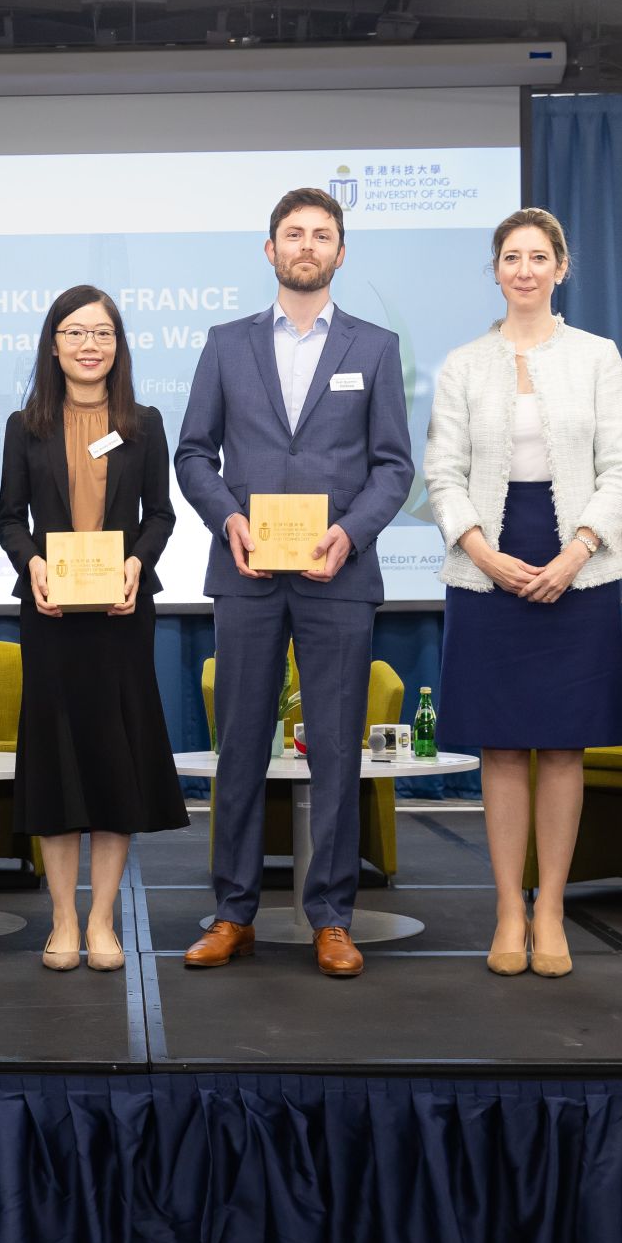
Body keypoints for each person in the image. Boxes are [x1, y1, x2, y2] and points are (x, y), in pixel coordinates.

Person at [175, 188, 415, 978]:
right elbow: (193, 453)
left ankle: (332, 917)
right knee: (240, 745)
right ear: (269, 249)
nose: (306, 246)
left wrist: (349, 533)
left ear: (340, 253)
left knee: (336, 754)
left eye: (321, 235)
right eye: (293, 234)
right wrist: (227, 520)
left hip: (336, 573)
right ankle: (232, 912)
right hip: (246, 572)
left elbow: (393, 466)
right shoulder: (226, 342)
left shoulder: (375, 347)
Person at [423, 207, 622, 980]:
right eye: (510, 256)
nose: (524, 268)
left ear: (561, 267)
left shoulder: (597, 356)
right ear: (495, 271)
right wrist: (482, 549)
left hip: (575, 556)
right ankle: (509, 909)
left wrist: (579, 549)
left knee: (563, 740)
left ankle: (552, 910)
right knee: (503, 742)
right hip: (487, 560)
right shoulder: (462, 364)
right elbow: (442, 474)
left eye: (537, 256)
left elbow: (621, 467)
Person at [0, 286, 188, 972]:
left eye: (101, 333)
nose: (88, 345)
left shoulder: (144, 421)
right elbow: (8, 518)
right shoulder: (26, 425)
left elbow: (162, 512)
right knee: (55, 767)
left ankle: (103, 920)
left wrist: (138, 561)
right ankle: (63, 921)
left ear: (117, 344)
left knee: (112, 765)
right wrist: (34, 565)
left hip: (120, 615)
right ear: (54, 344)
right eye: (75, 332)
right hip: (49, 616)